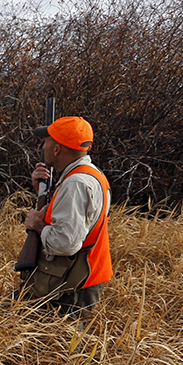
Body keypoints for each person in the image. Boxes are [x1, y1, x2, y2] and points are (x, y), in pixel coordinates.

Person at [20, 116, 113, 317]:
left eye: (46, 142)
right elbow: (77, 221)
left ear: (57, 150)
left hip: (72, 287)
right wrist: (43, 193)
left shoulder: (75, 184)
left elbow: (65, 243)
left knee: (60, 347)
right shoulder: (91, 175)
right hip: (76, 279)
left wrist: (38, 225)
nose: (43, 147)